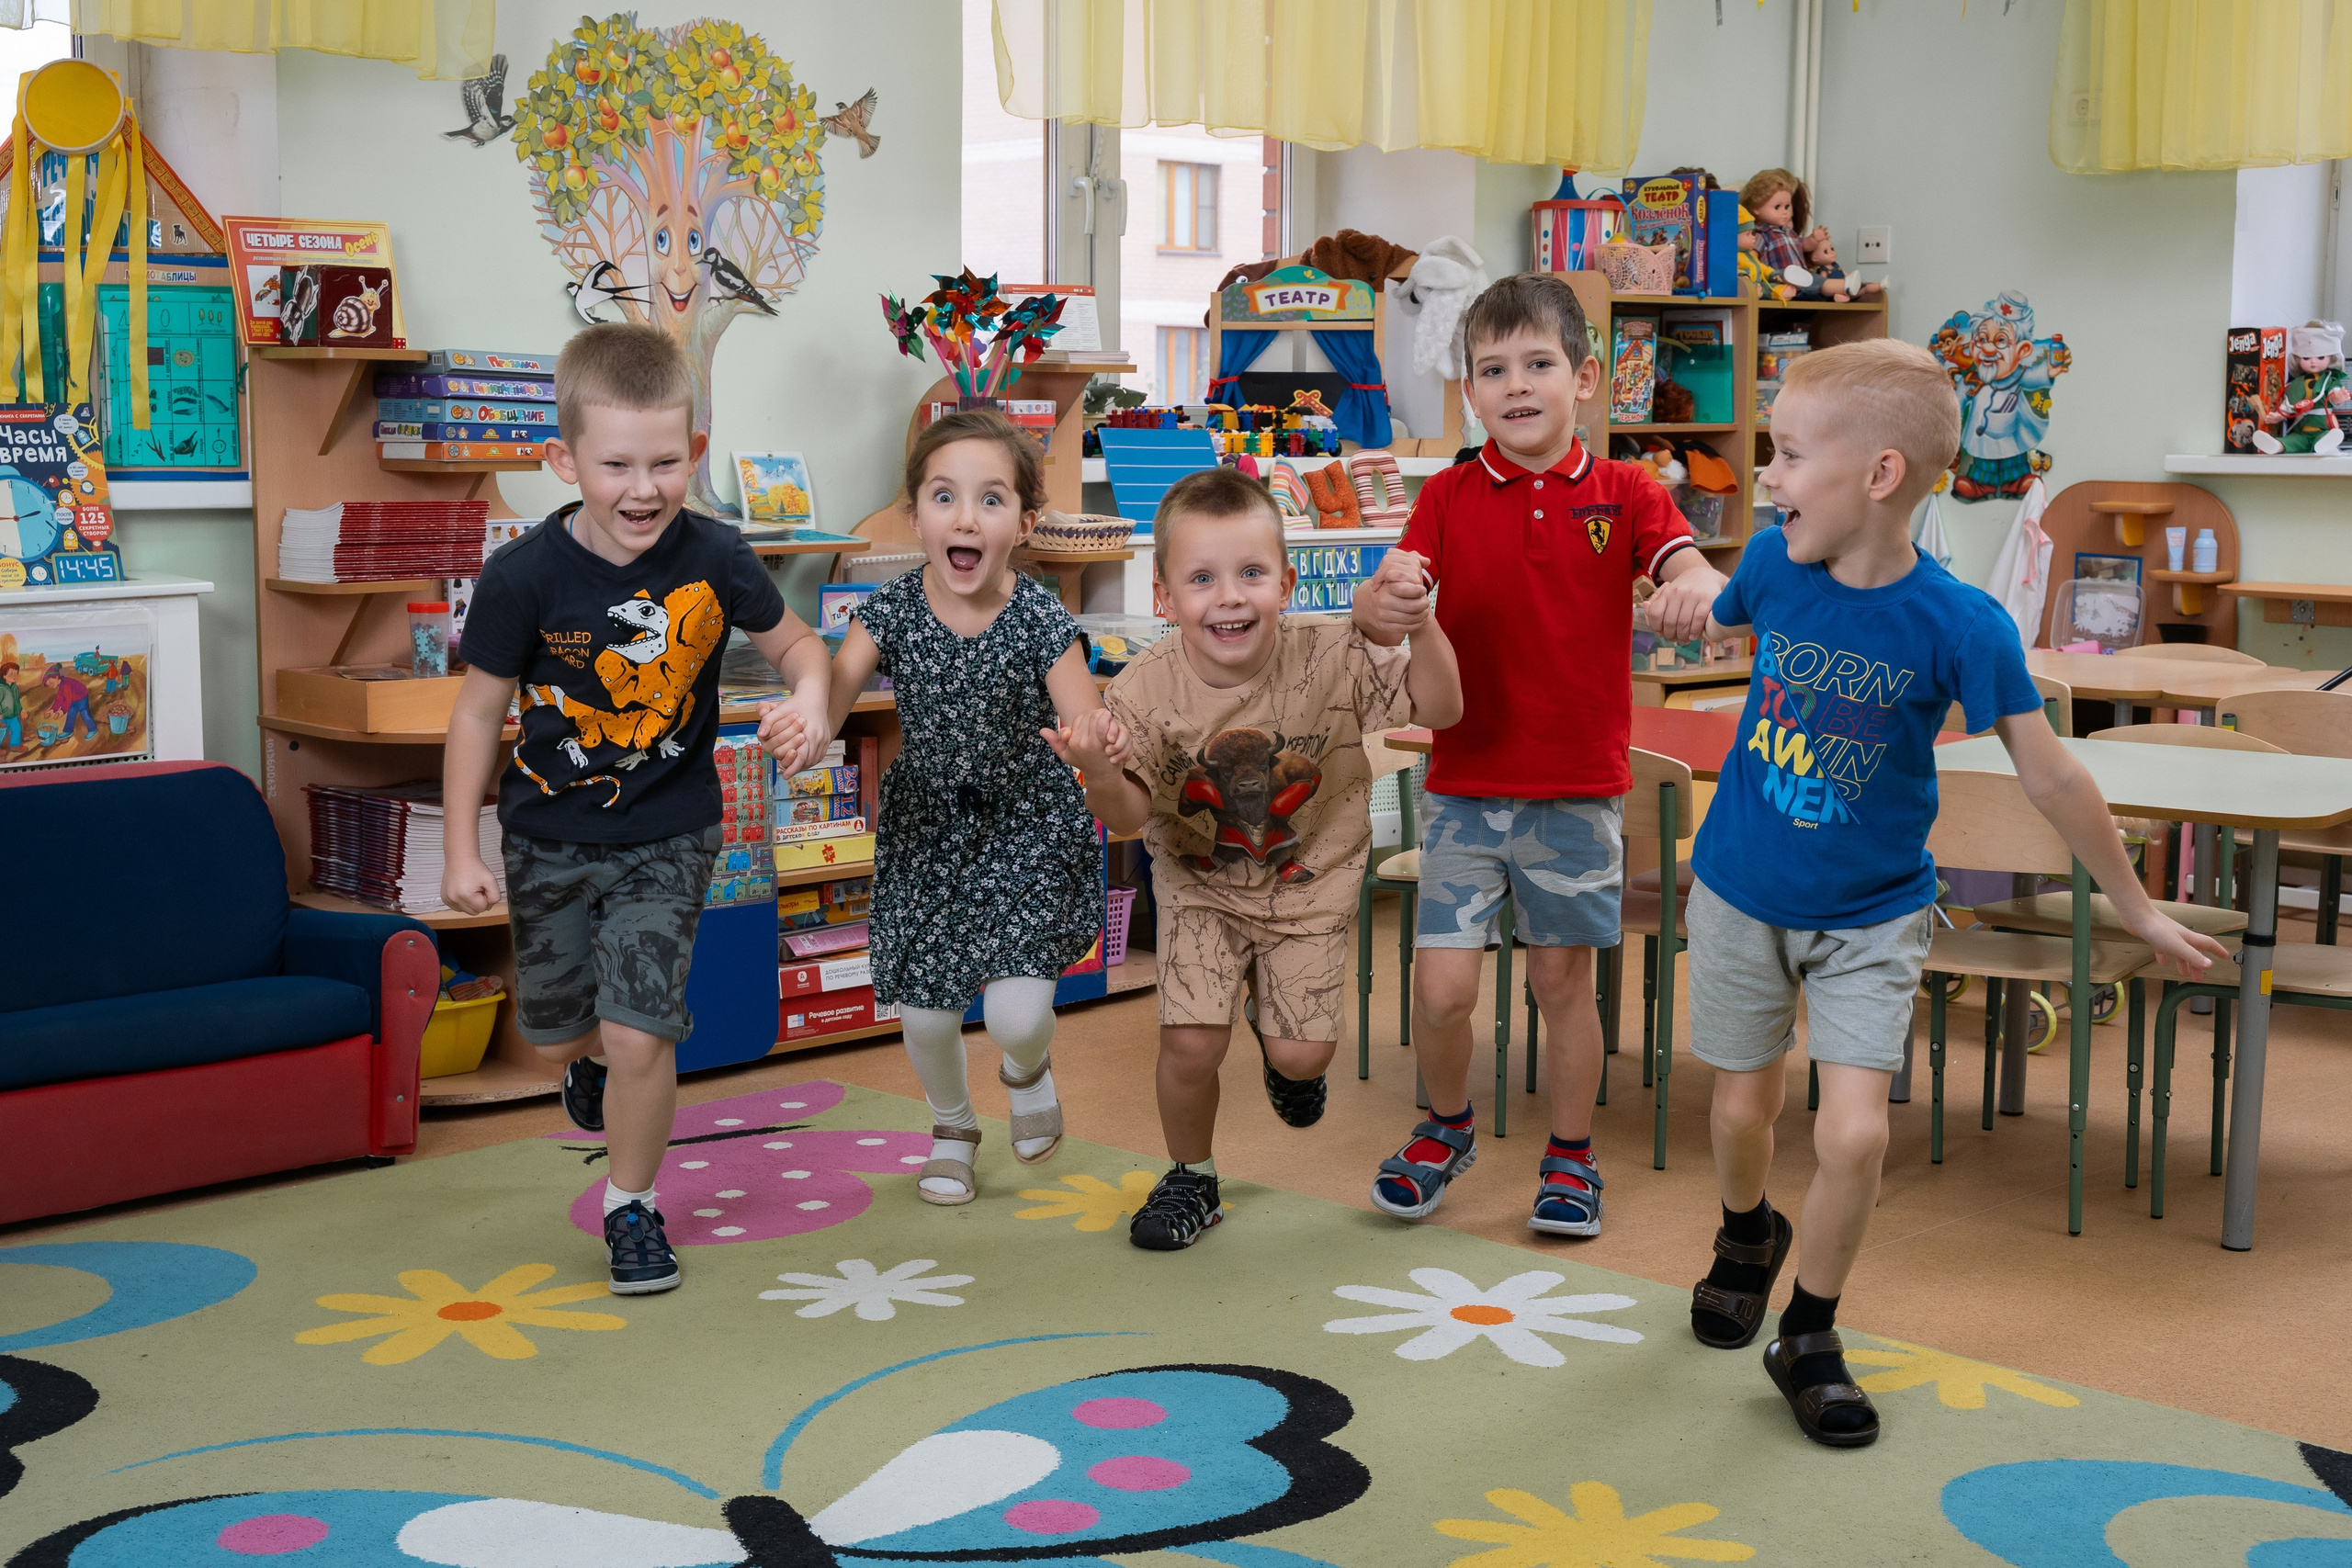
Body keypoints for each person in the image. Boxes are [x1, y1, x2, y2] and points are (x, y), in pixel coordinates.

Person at [1681, 339, 2227, 1446]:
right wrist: (1671, 588)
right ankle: (1745, 1233)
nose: (1768, 478)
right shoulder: (1777, 566)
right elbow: (1720, 611)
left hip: (1873, 914)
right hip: (1738, 888)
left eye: (1786, 455)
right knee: (1742, 1110)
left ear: (1879, 475)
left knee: (1853, 1139)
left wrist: (2134, 906)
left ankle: (1811, 1334)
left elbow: (2052, 774)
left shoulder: (1962, 624)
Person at [440, 322, 831, 1295]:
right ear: (562, 460)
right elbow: (477, 715)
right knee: (559, 1027)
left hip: (672, 832)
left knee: (639, 1032)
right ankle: (589, 1071)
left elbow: (801, 649)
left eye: (666, 462)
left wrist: (811, 705)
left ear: (695, 453)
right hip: (546, 839)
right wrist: (459, 848)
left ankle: (632, 1206)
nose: (643, 488)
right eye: (615, 464)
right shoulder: (521, 577)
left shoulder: (717, 554)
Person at [1352, 271, 1726, 1238]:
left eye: (1537, 364)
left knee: (1563, 983)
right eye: (1491, 369)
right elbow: (1387, 602)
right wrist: (1384, 601)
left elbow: (1677, 559)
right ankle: (1445, 1128)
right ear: (1468, 391)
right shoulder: (1444, 495)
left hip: (1575, 792)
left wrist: (1693, 579)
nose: (1515, 385)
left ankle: (1570, 1156)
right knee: (1439, 988)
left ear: (1584, 379)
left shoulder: (1627, 492)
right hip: (1466, 788)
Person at [1064, 467, 1463, 1250]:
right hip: (1199, 885)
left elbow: (1444, 708)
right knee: (1189, 1041)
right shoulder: (1142, 690)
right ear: (1163, 597)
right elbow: (1127, 816)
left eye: (1251, 574)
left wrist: (1421, 623)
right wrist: (1103, 771)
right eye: (1203, 578)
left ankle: (1283, 1051)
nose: (1231, 597)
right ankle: (1192, 1176)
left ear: (1285, 581)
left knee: (1304, 1054)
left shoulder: (1333, 653)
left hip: (1309, 884)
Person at [818, 409, 1106, 1209]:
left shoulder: (1039, 615)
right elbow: (833, 699)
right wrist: (804, 721)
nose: (965, 516)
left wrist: (1094, 740)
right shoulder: (890, 608)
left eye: (990, 499)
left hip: (1026, 824)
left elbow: (1080, 717)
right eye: (944, 497)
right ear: (916, 518)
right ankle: (952, 1127)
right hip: (927, 830)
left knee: (1017, 1014)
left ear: (1023, 522)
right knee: (926, 1012)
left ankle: (1026, 1068)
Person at [41, 663, 93, 739]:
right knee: (71, 714)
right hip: (74, 699)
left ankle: (92, 729)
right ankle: (68, 731)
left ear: (56, 677)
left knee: (85, 714)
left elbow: (67, 700)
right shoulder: (61, 685)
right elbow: (59, 699)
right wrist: (52, 710)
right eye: (48, 685)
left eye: (51, 683)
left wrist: (61, 711)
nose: (50, 685)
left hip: (82, 698)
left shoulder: (66, 684)